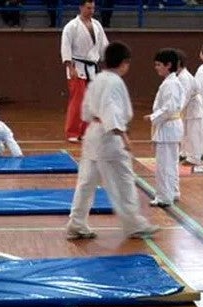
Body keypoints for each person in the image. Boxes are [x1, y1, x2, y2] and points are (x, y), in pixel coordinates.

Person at [65, 41, 158, 241]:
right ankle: (134, 224)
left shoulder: (97, 79)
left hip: (92, 134)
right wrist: (123, 135)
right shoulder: (114, 82)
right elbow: (111, 110)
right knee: (124, 180)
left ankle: (77, 223)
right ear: (124, 62)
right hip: (110, 138)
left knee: (86, 182)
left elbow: (86, 111)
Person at [60, 0, 107, 143]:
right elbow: (66, 47)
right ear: (81, 7)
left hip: (92, 67)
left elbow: (103, 45)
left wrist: (107, 62)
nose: (91, 10)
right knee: (78, 101)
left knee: (91, 101)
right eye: (88, 8)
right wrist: (70, 67)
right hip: (77, 67)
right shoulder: (71, 26)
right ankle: (72, 132)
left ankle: (86, 131)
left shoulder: (97, 25)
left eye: (93, 8)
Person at [146, 48, 184, 208]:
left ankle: (164, 196)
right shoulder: (171, 82)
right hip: (170, 127)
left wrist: (153, 117)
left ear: (168, 65)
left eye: (159, 64)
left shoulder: (171, 84)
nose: (156, 67)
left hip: (168, 127)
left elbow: (170, 108)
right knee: (171, 163)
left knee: (165, 165)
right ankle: (173, 192)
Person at [176, 48, 203, 168]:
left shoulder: (184, 77)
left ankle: (194, 157)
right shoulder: (180, 76)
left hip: (193, 106)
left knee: (193, 132)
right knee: (185, 131)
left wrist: (176, 111)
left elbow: (185, 96)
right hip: (188, 106)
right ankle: (185, 152)